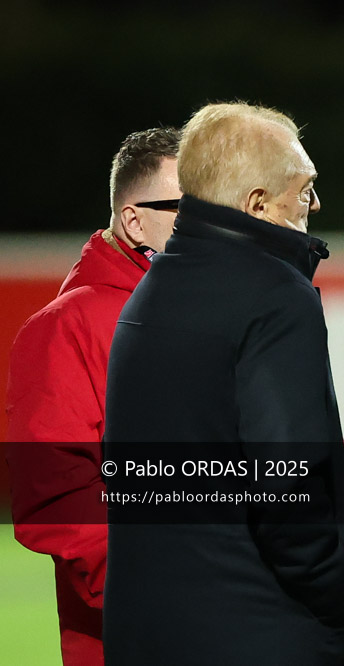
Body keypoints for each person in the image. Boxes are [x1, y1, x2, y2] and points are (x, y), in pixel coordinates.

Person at [102, 103, 344, 665]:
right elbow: (289, 492)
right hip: (259, 632)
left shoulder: (150, 291)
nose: (314, 204)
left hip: (156, 632)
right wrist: (334, 598)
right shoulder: (275, 296)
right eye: (304, 188)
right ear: (257, 204)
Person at [5, 127, 181, 666]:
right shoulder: (66, 326)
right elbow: (55, 495)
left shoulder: (217, 311)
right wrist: (167, 597)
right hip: (141, 637)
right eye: (187, 208)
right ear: (134, 220)